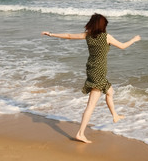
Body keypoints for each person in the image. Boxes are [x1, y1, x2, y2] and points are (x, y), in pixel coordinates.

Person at [41, 13, 141, 143]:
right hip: (98, 72)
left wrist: (51, 34)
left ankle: (115, 116)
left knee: (110, 91)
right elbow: (122, 46)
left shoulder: (88, 35)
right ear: (102, 26)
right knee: (91, 105)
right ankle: (80, 133)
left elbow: (69, 36)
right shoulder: (106, 37)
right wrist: (134, 39)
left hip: (92, 69)